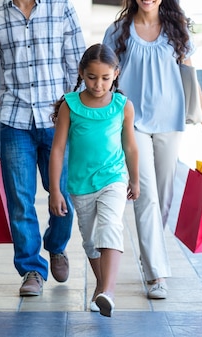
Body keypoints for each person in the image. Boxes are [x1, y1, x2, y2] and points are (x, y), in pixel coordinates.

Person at [0, 0, 86, 297]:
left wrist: (78, 115)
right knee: (20, 199)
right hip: (15, 120)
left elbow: (77, 66)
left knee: (62, 191)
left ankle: (56, 244)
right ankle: (32, 270)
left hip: (59, 120)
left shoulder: (62, 8)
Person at [102, 0, 202, 300]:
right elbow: (106, 80)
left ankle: (151, 255)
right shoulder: (118, 31)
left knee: (164, 198)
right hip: (132, 124)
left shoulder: (177, 31)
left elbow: (192, 85)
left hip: (171, 123)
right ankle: (156, 275)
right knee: (147, 195)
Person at [48, 43, 140, 317]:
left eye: (105, 78)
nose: (98, 84)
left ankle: (108, 292)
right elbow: (57, 149)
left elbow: (131, 147)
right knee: (90, 240)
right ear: (81, 73)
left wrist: (134, 180)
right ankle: (100, 287)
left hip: (113, 178)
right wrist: (55, 190)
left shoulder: (123, 106)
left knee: (110, 226)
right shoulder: (70, 105)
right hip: (80, 185)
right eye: (91, 77)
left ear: (116, 74)